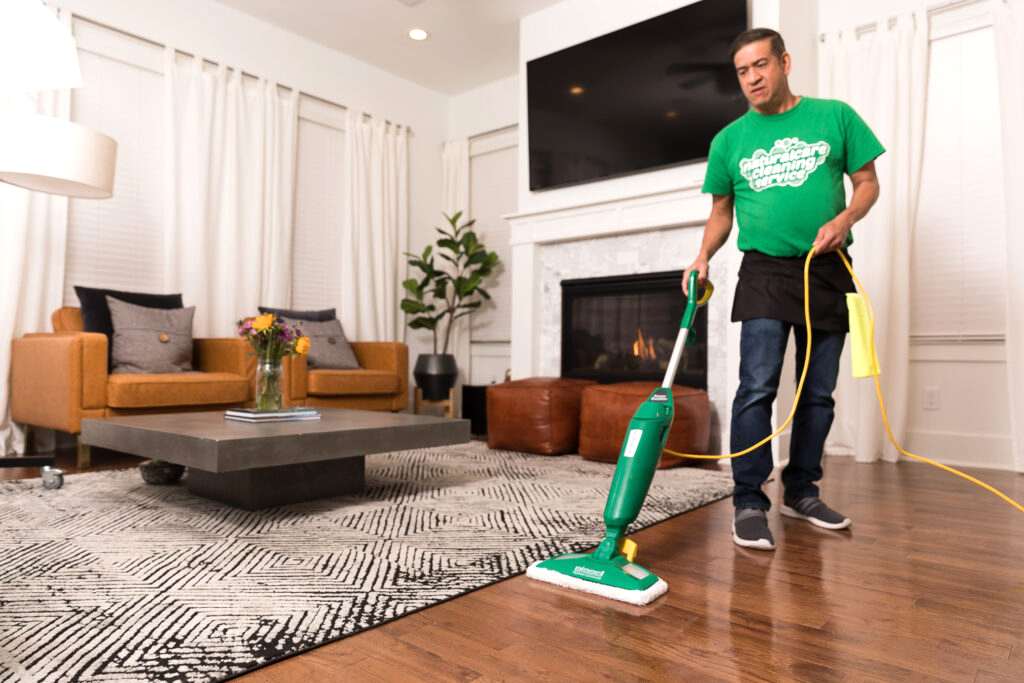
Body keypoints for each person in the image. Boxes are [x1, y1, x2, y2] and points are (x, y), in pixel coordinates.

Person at [684, 28, 883, 550]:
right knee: (757, 387)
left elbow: (868, 182)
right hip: (766, 272)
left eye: (760, 65)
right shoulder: (729, 140)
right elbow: (721, 212)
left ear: (784, 62)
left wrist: (844, 219)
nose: (751, 78)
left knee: (817, 392)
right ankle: (749, 500)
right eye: (742, 71)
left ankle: (803, 491)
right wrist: (703, 256)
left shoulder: (834, 116)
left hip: (826, 266)